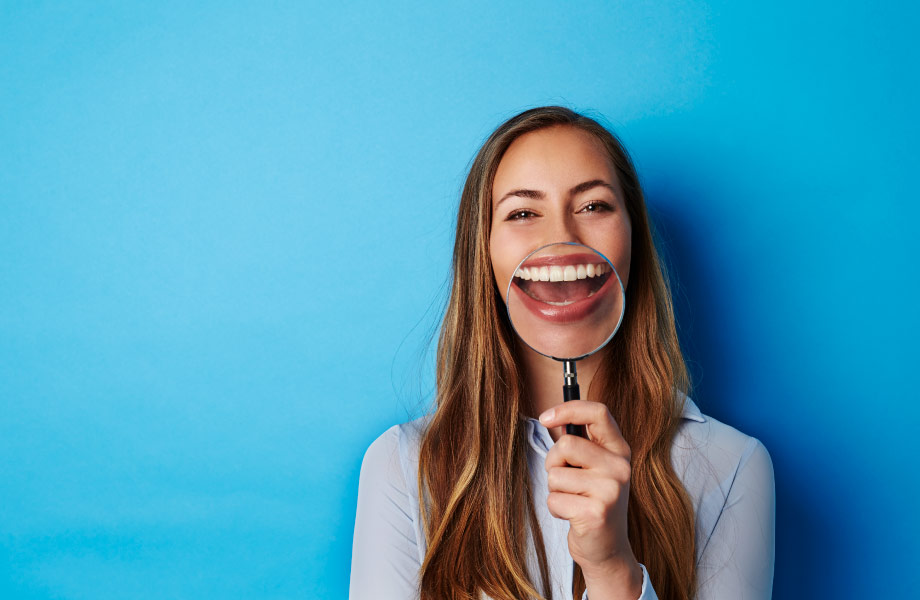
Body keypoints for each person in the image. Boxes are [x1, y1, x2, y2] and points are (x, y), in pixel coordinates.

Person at [349, 106, 775, 600]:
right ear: (482, 250)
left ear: (632, 237)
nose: (562, 240)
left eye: (593, 206)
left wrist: (612, 567)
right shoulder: (404, 466)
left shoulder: (732, 465)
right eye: (523, 213)